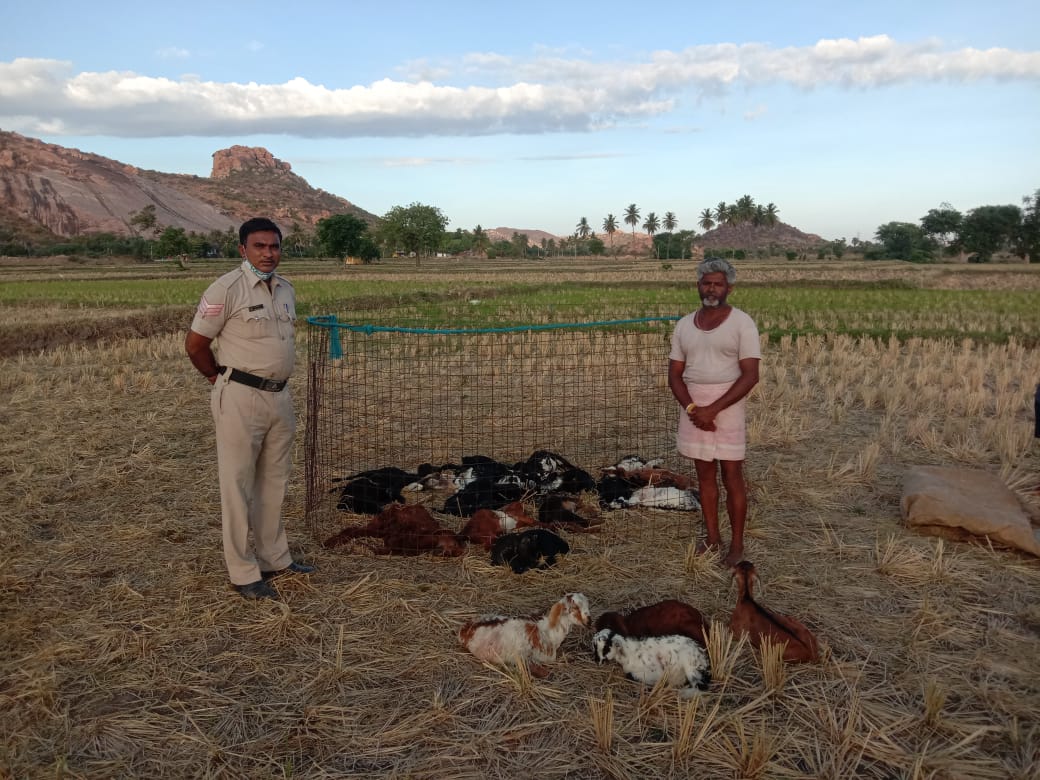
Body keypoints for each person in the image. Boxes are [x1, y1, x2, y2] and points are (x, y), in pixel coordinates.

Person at [185, 217, 315, 600]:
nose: (268, 253)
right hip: (240, 397)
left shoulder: (286, 289)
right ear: (242, 249)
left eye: (274, 246)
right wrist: (217, 380)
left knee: (274, 483)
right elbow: (195, 345)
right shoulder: (226, 289)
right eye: (259, 246)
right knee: (238, 485)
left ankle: (276, 558)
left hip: (280, 396)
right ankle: (243, 572)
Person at [668, 257, 761, 568]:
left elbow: (750, 375)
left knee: (732, 476)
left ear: (729, 288)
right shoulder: (684, 325)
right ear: (698, 286)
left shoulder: (742, 323)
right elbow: (674, 376)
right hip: (694, 409)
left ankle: (736, 545)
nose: (711, 288)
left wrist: (713, 409)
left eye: (717, 284)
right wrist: (695, 409)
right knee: (704, 476)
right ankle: (712, 537)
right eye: (706, 283)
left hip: (728, 407)